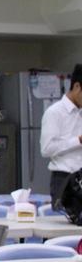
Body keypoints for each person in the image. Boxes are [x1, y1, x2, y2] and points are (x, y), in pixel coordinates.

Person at [40, 64, 82, 209]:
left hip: (81, 177)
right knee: (64, 221)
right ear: (77, 87)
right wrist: (78, 140)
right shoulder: (55, 112)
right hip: (64, 179)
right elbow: (46, 149)